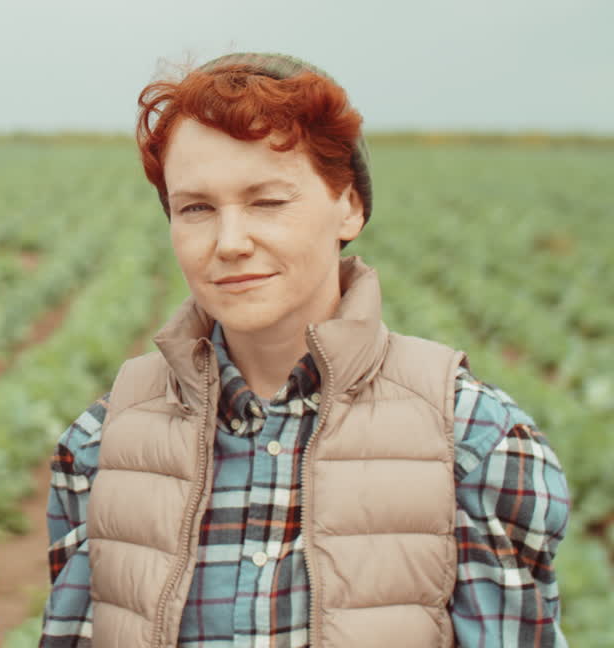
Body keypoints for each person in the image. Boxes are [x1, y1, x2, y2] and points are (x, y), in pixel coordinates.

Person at [40, 53, 569, 647]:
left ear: (350, 206)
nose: (230, 242)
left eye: (267, 201)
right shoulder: (100, 445)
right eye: (196, 208)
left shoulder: (476, 444)